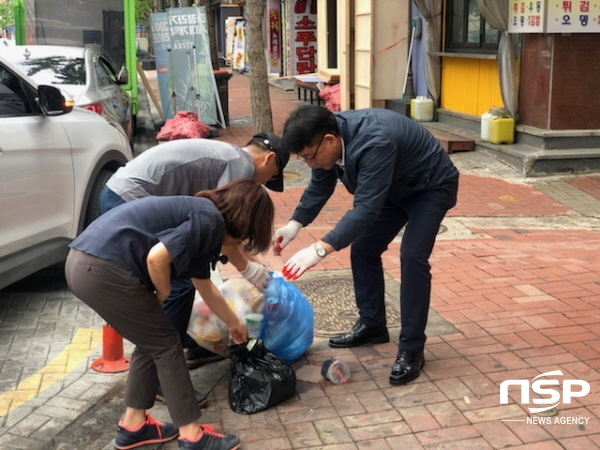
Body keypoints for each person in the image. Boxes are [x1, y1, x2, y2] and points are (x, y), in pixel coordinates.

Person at [65, 179, 273, 450]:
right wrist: (162, 293)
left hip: (83, 264)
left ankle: (134, 425)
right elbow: (156, 258)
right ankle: (192, 435)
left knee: (152, 342)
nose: (241, 242)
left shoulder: (203, 219)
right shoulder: (209, 220)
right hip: (103, 268)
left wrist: (234, 322)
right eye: (246, 235)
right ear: (244, 220)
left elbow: (205, 286)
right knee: (166, 344)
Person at [273, 105, 459, 386]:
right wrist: (295, 223)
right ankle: (373, 325)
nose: (310, 164)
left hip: (430, 187)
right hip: (393, 189)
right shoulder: (328, 143)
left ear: (330, 141)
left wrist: (319, 249)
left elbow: (366, 209)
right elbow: (320, 186)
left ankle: (411, 348)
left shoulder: (374, 141)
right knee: (364, 248)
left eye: (310, 157)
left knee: (412, 258)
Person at [99, 134, 289, 404]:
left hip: (122, 195)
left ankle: (192, 347)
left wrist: (257, 268)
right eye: (272, 176)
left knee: (184, 278)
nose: (264, 184)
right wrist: (251, 271)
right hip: (127, 200)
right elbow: (227, 228)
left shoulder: (230, 156)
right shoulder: (241, 166)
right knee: (177, 285)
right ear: (269, 159)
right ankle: (161, 379)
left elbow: (227, 234)